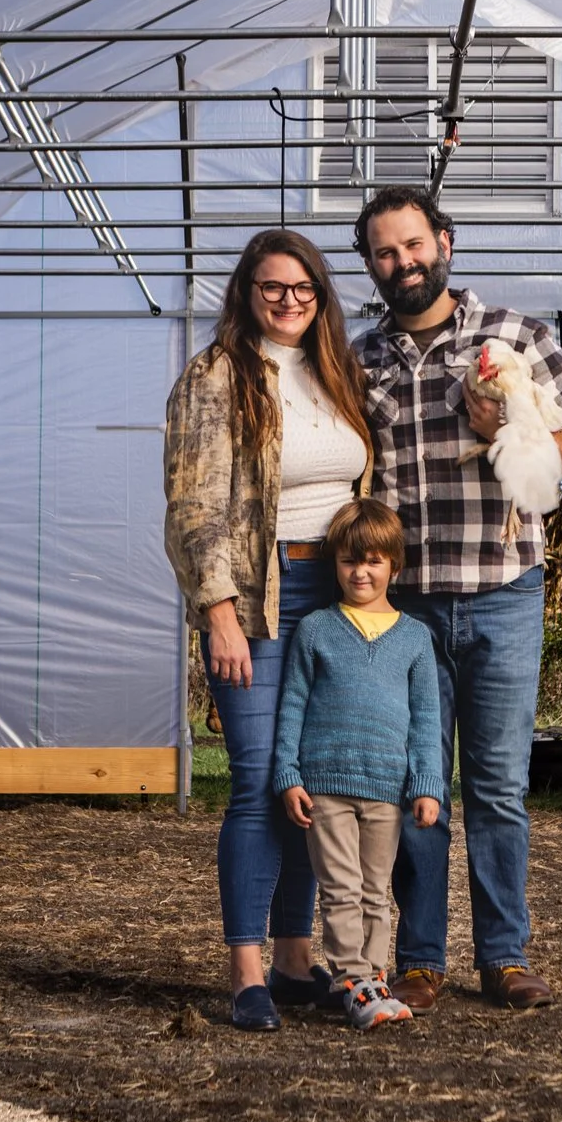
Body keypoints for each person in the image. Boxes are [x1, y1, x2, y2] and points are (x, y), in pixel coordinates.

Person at [349, 186, 562, 1014]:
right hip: (407, 608)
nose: (404, 263)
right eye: (386, 253)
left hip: (502, 592)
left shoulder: (516, 337)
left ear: (446, 243)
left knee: (497, 785)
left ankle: (504, 953)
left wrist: (510, 431)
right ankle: (421, 958)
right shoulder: (359, 359)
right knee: (416, 785)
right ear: (372, 265)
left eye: (414, 244)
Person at [163, 228, 373, 1031]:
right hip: (257, 594)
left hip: (338, 593)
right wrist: (217, 611)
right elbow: (192, 506)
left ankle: (293, 960)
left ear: (321, 296)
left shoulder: (337, 373)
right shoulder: (214, 376)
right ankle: (246, 971)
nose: (289, 301)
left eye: (303, 289)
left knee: (307, 783)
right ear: (246, 293)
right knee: (256, 778)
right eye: (272, 288)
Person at [274, 499, 445, 1031]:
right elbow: (293, 705)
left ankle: (372, 976)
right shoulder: (316, 629)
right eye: (350, 561)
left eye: (373, 561)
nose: (361, 572)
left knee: (376, 889)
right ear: (336, 565)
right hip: (325, 786)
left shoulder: (415, 638)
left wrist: (426, 784)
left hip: (386, 789)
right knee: (342, 889)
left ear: (395, 565)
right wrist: (288, 773)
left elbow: (426, 720)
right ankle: (351, 977)